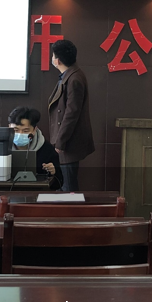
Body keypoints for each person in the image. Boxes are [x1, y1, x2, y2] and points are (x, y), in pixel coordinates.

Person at [47, 39, 95, 192]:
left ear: (58, 60)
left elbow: (71, 114)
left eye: (53, 56)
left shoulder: (74, 78)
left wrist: (60, 141)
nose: (52, 58)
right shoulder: (71, 75)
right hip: (68, 140)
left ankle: (72, 208)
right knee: (66, 186)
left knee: (69, 189)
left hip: (69, 142)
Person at [8, 106, 62, 190]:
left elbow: (59, 183)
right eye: (15, 130)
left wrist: (54, 172)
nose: (20, 134)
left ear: (34, 130)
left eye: (25, 131)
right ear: (9, 127)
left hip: (37, 193)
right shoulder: (1, 147)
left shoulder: (47, 150)